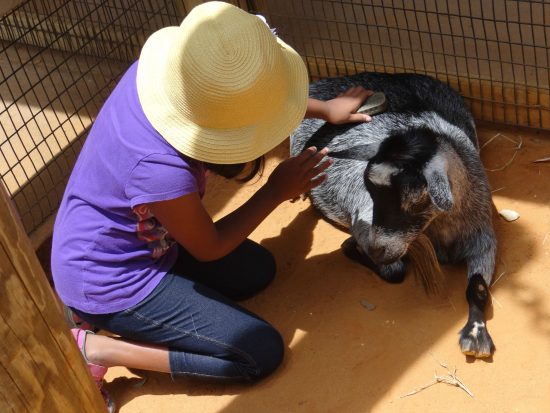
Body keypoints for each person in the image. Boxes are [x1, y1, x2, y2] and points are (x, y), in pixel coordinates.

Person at [51, 2, 373, 410]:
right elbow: (210, 247)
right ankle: (96, 348)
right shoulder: (161, 169)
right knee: (258, 352)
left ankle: (108, 323)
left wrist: (324, 108)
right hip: (112, 279)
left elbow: (237, 102)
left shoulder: (160, 82)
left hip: (151, 242)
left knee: (258, 271)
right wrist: (275, 190)